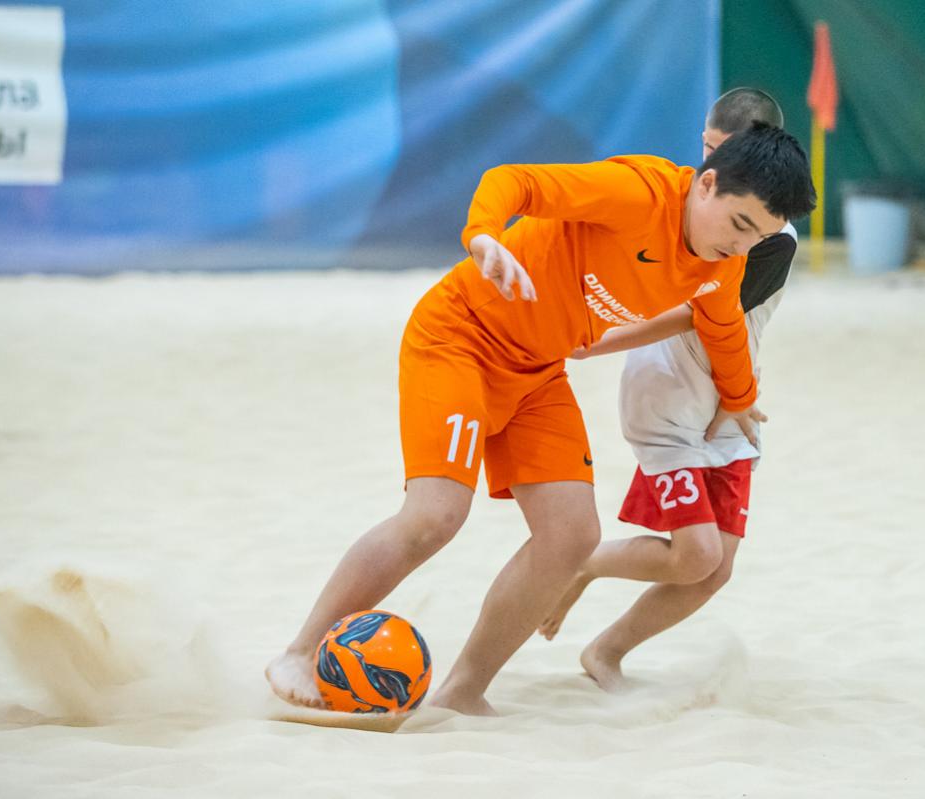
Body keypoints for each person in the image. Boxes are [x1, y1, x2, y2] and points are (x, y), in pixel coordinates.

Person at [265, 122, 816, 715]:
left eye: (759, 237)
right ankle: (300, 651)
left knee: (573, 537)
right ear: (706, 185)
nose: (742, 247)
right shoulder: (637, 193)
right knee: (435, 515)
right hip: (461, 339)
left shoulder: (721, 266)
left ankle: (463, 691)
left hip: (537, 370)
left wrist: (739, 395)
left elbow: (723, 327)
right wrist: (483, 235)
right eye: (739, 224)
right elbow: (516, 182)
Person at [536, 89, 810, 693]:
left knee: (714, 569)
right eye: (706, 148)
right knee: (695, 554)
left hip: (728, 405)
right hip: (666, 399)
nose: (710, 163)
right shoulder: (689, 204)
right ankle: (582, 564)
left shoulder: (770, 236)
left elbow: (705, 315)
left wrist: (736, 394)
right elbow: (672, 301)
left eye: (724, 150)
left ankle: (604, 651)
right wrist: (597, 339)